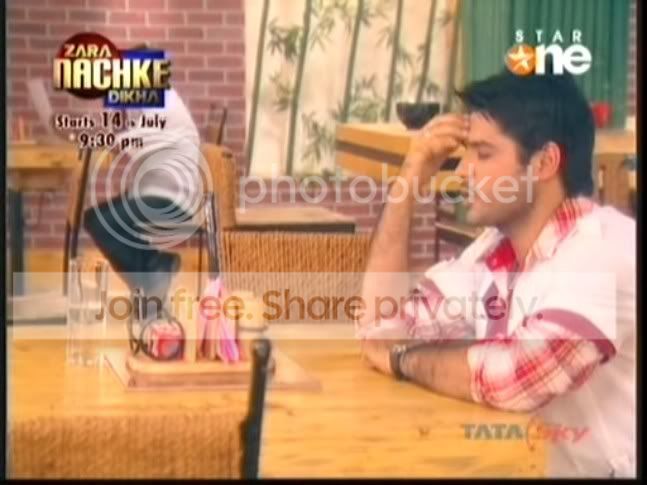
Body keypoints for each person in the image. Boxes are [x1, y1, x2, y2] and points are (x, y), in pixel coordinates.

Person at [359, 69, 635, 478]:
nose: (462, 172)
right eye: (465, 153)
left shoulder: (603, 252)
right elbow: (381, 325)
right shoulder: (493, 250)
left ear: (544, 163)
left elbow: (516, 377)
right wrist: (410, 178)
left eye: (483, 154)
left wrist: (403, 359)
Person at [83, 84, 204, 316]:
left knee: (101, 223)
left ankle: (154, 275)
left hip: (172, 199)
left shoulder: (163, 104)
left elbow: (122, 145)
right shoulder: (147, 102)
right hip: (154, 192)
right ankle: (152, 280)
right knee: (95, 219)